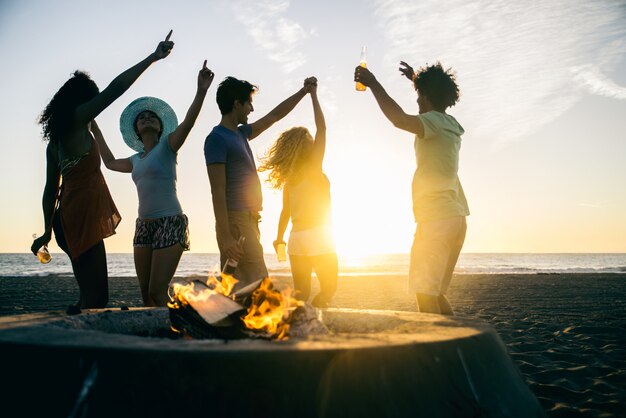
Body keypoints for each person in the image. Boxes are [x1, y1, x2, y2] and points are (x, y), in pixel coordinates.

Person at [31, 31, 175, 310]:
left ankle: (75, 338)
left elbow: (50, 190)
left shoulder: (57, 140)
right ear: (82, 101)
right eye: (91, 101)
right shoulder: (77, 119)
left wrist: (48, 230)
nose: (94, 107)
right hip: (81, 215)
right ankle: (77, 347)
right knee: (97, 299)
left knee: (88, 295)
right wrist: (153, 58)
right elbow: (115, 88)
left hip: (66, 218)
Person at [91, 61, 215, 306]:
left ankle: (183, 329)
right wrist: (95, 128)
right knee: (146, 295)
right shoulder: (135, 160)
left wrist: (201, 91)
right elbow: (109, 162)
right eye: (142, 118)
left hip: (170, 221)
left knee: (158, 292)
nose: (146, 119)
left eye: (151, 117)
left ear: (160, 126)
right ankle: (162, 338)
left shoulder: (168, 146)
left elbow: (189, 121)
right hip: (143, 226)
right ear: (137, 129)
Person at [354, 61, 469, 315]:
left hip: (436, 218)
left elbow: (398, 119)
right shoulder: (450, 124)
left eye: (419, 96)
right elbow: (432, 100)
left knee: (425, 297)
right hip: (456, 218)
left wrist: (373, 83)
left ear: (426, 97)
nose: (416, 102)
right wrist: (416, 80)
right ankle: (456, 346)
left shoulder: (433, 123)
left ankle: (436, 353)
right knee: (436, 293)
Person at [205, 76, 317, 290]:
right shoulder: (217, 139)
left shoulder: (241, 134)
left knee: (240, 288)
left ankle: (233, 321)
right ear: (237, 104)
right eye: (249, 103)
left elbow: (274, 115)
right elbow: (217, 190)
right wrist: (226, 235)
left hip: (249, 221)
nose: (252, 109)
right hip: (237, 223)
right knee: (258, 286)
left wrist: (303, 92)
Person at [259, 79, 337, 308]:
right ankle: (315, 316)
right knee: (329, 288)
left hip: (297, 239)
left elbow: (285, 212)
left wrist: (279, 238)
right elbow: (322, 128)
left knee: (301, 295)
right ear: (304, 146)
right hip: (319, 235)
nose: (315, 141)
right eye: (310, 140)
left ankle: (299, 326)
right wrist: (313, 95)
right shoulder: (314, 167)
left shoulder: (290, 178)